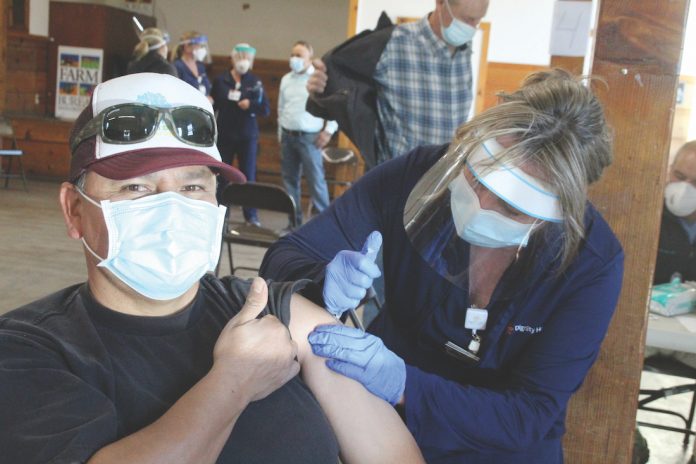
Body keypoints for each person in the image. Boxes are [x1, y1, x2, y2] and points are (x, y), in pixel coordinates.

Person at [0, 73, 424, 464]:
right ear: (74, 210)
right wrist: (233, 382)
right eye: (135, 187)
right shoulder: (28, 349)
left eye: (192, 186)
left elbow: (392, 456)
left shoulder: (267, 309)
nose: (170, 207)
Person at [261, 69, 624, 463]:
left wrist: (405, 384)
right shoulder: (417, 174)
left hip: (498, 445)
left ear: (553, 213)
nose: (480, 204)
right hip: (380, 422)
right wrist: (318, 279)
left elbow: (529, 414)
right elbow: (286, 255)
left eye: (509, 206)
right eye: (477, 175)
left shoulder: (591, 262)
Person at [305, 0, 489, 168]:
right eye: (467, 19)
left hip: (442, 184)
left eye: (478, 20)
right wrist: (319, 89)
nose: (472, 27)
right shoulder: (393, 43)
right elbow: (333, 74)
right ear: (441, 3)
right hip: (398, 183)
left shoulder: (464, 51)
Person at [278, 40, 337, 225]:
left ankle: (326, 226)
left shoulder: (318, 80)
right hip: (288, 136)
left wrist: (328, 132)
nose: (294, 58)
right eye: (292, 54)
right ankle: (293, 223)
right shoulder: (286, 79)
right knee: (289, 182)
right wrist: (280, 133)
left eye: (299, 55)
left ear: (309, 59)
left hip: (310, 138)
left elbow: (334, 109)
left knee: (316, 183)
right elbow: (281, 108)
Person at [211, 43, 270, 227]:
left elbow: (265, 109)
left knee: (248, 175)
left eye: (247, 58)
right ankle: (220, 212)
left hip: (247, 136)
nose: (243, 62)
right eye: (240, 57)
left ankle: (250, 216)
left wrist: (250, 105)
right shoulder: (221, 80)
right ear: (233, 58)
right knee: (221, 176)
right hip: (225, 135)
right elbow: (213, 104)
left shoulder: (255, 82)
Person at [174, 31, 212, 100]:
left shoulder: (200, 66)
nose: (201, 48)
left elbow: (206, 86)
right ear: (186, 47)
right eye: (198, 45)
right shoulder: (177, 66)